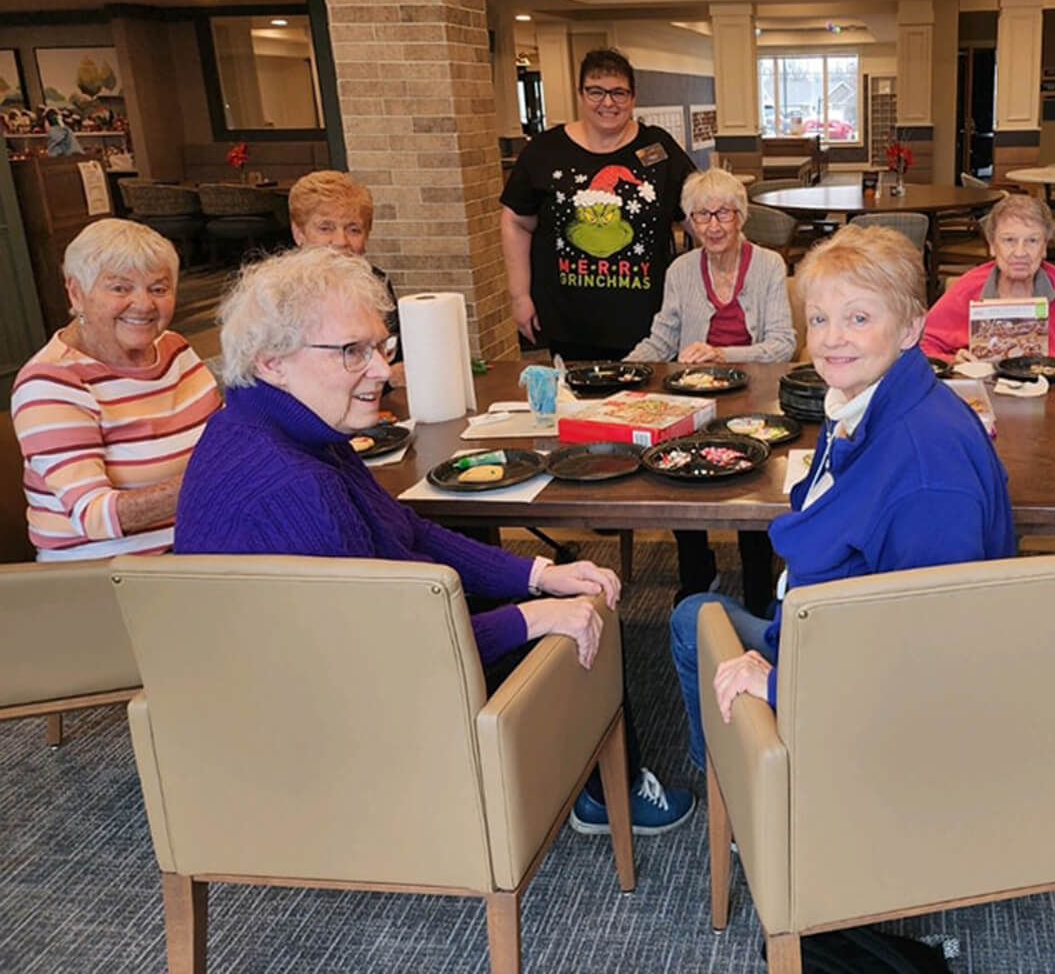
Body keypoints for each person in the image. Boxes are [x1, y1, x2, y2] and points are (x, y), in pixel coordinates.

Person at [174, 246, 694, 836]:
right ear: (272, 362)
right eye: (352, 352)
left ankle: (602, 784)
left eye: (380, 348)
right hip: (321, 721)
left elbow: (408, 533)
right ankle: (607, 793)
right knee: (584, 631)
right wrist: (531, 619)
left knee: (561, 607)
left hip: (323, 665)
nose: (380, 371)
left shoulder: (282, 428)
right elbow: (392, 652)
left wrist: (536, 577)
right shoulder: (293, 485)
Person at [669, 225, 1016, 770]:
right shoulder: (864, 403)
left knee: (693, 622)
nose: (832, 339)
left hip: (857, 698)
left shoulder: (928, 472)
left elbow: (928, 654)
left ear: (909, 327)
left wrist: (782, 684)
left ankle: (745, 798)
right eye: (820, 319)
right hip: (827, 631)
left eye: (858, 318)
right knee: (695, 614)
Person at [625, 167, 796, 609]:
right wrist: (621, 371)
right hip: (691, 395)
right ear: (690, 222)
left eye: (723, 213)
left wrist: (724, 354)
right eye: (702, 216)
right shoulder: (680, 270)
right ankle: (697, 572)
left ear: (741, 216)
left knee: (751, 482)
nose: (714, 225)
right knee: (676, 472)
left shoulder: (768, 265)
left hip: (755, 393)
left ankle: (759, 581)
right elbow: (662, 338)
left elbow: (783, 345)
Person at [11, 219, 220, 560]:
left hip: (197, 550)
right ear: (75, 292)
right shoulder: (51, 381)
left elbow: (225, 439)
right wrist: (213, 478)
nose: (144, 304)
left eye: (158, 288)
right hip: (106, 576)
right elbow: (94, 517)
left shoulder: (175, 349)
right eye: (120, 289)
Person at [499, 47, 696, 360]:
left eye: (618, 92)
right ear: (580, 94)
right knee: (578, 404)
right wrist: (519, 295)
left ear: (632, 97)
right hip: (568, 318)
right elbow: (516, 222)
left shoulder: (656, 148)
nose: (608, 102)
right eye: (596, 91)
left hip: (649, 320)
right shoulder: (545, 150)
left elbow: (695, 213)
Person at [920, 192, 1055, 363]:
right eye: (1009, 240)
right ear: (992, 246)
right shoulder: (967, 289)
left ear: (1044, 248)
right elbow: (919, 346)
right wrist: (951, 361)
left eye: (1032, 241)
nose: (1020, 253)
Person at [288, 169, 405, 386]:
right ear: (299, 234)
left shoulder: (376, 282)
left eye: (353, 229)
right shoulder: (281, 295)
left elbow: (397, 360)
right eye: (325, 228)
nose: (341, 241)